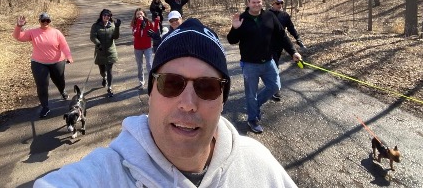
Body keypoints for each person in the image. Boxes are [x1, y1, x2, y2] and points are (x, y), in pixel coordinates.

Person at [34, 18, 298, 188]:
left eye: (206, 87)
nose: (188, 103)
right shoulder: (103, 175)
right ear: (151, 93)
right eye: (171, 83)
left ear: (223, 100)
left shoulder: (259, 165)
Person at [227, 0, 302, 134]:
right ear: (248, 3)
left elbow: (282, 36)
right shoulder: (242, 19)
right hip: (250, 64)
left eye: (259, 2)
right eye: (253, 2)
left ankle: (253, 107)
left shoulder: (269, 16)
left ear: (262, 2)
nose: (256, 4)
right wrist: (234, 28)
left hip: (269, 62)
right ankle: (253, 119)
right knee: (250, 94)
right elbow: (232, 40)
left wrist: (293, 52)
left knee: (275, 86)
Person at [12, 12, 73, 118]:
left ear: (50, 21)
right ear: (39, 21)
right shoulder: (33, 32)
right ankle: (45, 107)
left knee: (59, 80)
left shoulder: (56, 32)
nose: (45, 22)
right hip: (38, 63)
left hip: (57, 61)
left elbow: (64, 45)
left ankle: (62, 90)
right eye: (43, 20)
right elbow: (18, 37)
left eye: (47, 20)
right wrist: (19, 26)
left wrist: (69, 56)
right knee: (42, 86)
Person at [268, 0, 306, 101]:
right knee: (274, 67)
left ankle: (271, 85)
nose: (280, 5)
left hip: (281, 44)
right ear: (272, 3)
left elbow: (291, 28)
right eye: (277, 3)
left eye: (281, 3)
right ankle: (275, 90)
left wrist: (298, 39)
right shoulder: (266, 15)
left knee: (274, 66)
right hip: (269, 46)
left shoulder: (285, 15)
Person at [90, 9, 121, 98]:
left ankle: (109, 87)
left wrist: (117, 27)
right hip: (100, 51)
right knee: (102, 71)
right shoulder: (95, 26)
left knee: (109, 69)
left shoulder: (112, 26)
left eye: (108, 15)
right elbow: (92, 37)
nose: (106, 17)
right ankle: (104, 77)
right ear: (101, 15)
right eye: (105, 15)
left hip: (110, 51)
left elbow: (116, 37)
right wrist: (97, 43)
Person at [130, 8, 160, 89]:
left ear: (144, 14)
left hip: (147, 47)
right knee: (139, 65)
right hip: (138, 48)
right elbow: (136, 34)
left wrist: (157, 21)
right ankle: (141, 82)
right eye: (137, 14)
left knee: (149, 65)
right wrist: (139, 23)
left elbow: (154, 30)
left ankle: (152, 81)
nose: (139, 15)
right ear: (135, 16)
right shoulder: (134, 24)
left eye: (141, 14)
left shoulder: (148, 22)